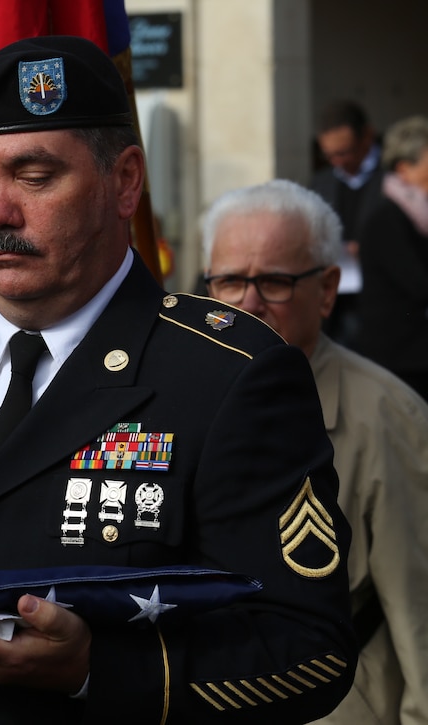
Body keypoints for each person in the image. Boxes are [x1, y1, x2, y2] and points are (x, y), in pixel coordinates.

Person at [0, 35, 356, 723]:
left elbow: (311, 647)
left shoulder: (226, 375)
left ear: (124, 181)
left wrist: (97, 671)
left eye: (34, 176)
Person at [203, 178, 428, 725]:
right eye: (229, 280)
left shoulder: (387, 415)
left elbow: (418, 608)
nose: (248, 304)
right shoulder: (181, 396)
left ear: (327, 290)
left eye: (275, 282)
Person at [353, 115, 428, 402]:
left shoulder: (417, 213)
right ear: (404, 168)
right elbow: (419, 284)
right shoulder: (388, 218)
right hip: (400, 357)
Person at [310, 100, 384, 347]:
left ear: (367, 137)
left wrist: (369, 249)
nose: (337, 161)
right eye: (329, 154)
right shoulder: (321, 183)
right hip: (335, 301)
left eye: (345, 152)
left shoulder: (394, 178)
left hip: (380, 297)